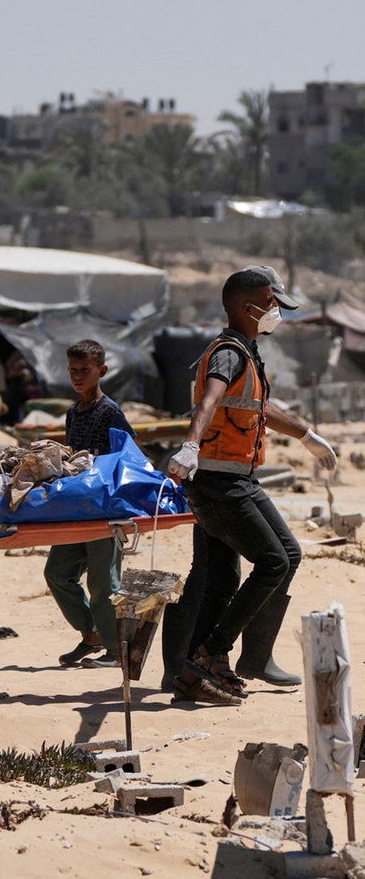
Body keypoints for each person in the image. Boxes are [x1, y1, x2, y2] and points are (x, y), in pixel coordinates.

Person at [166, 265, 337, 704]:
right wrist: (188, 445)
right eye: (273, 302)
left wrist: (307, 436)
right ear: (249, 307)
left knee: (225, 578)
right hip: (220, 483)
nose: (277, 310)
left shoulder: (246, 351)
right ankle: (211, 654)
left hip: (233, 478)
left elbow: (259, 406)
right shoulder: (229, 353)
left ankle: (207, 668)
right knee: (275, 561)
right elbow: (210, 399)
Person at [45, 339, 136, 670]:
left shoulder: (110, 411)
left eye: (85, 370)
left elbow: (127, 453)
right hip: (75, 507)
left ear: (102, 371)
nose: (78, 376)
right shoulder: (73, 412)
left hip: (103, 507)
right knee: (57, 573)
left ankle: (116, 650)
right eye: (73, 370)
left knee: (103, 583)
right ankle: (91, 634)